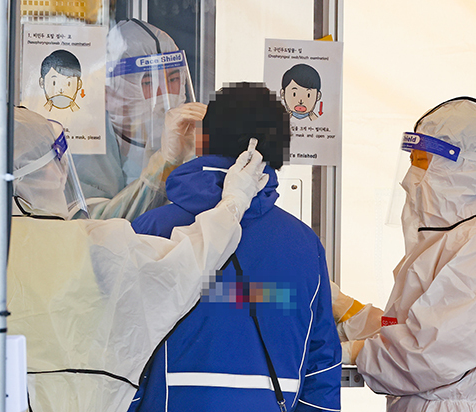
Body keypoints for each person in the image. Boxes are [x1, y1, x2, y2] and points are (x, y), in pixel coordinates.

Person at [6, 106, 268, 412]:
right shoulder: (90, 245)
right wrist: (234, 201)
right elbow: (184, 265)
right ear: (44, 171)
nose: (63, 172)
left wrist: (166, 164)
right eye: (56, 161)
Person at [127, 82, 341, 412]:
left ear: (203, 141)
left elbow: (121, 353)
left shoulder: (152, 230)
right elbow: (321, 367)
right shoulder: (305, 245)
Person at [337, 97, 476, 412]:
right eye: (411, 161)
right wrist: (349, 312)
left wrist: (352, 352)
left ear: (456, 169)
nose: (409, 177)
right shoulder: (451, 241)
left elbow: (423, 357)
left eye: (421, 161)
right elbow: (410, 331)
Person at [72, 19, 206, 220]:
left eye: (173, 79)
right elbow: (96, 225)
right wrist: (165, 165)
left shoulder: (191, 134)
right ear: (109, 92)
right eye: (149, 82)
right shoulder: (87, 144)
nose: (165, 93)